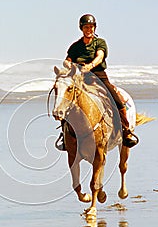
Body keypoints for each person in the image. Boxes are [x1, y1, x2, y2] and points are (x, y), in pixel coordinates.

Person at [57, 14, 138, 149]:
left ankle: (126, 131)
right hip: (80, 78)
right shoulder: (75, 46)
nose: (89, 29)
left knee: (117, 99)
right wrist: (68, 65)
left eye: (91, 27)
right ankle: (66, 136)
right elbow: (68, 60)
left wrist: (90, 66)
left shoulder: (100, 43)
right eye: (86, 27)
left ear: (94, 28)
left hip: (98, 76)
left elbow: (100, 57)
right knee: (68, 101)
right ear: (81, 29)